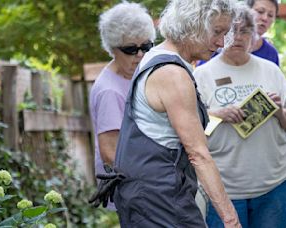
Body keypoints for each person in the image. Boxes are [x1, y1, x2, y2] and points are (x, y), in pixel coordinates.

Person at [90, 0, 242, 227]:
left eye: (225, 33)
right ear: (192, 24)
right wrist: (231, 220)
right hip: (159, 199)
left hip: (150, 197)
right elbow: (198, 154)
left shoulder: (156, 57)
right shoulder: (171, 74)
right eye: (216, 31)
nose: (221, 42)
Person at [193, 4, 286, 228]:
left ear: (254, 35)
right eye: (230, 31)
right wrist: (217, 114)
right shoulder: (201, 74)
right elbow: (188, 129)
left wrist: (279, 112)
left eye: (244, 30)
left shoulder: (269, 70)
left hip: (274, 183)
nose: (237, 37)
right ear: (219, 35)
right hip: (224, 190)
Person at [88, 2, 155, 207]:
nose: (140, 55)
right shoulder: (110, 90)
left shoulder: (134, 74)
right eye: (130, 49)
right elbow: (111, 153)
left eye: (146, 47)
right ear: (113, 48)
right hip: (135, 190)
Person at [196, 0, 280, 66]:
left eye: (270, 15)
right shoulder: (217, 46)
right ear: (247, 9)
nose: (265, 18)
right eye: (260, 11)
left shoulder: (271, 53)